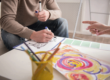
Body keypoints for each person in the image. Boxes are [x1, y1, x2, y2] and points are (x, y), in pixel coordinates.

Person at [0, 0, 69, 50]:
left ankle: (61, 51)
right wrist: (33, 35)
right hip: (14, 28)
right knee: (13, 41)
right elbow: (6, 20)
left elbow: (58, 12)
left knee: (62, 22)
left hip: (35, 23)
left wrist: (49, 14)